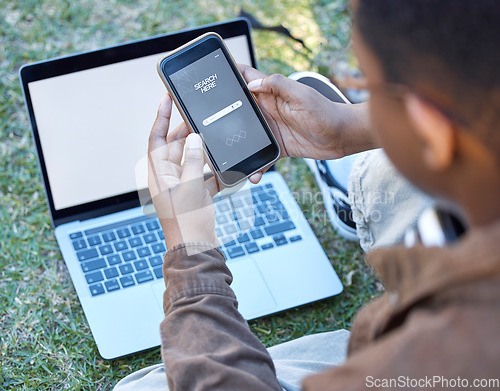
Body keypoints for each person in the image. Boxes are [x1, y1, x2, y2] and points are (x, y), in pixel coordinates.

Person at [115, 0, 500, 389]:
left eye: (366, 85)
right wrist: (346, 129)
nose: (360, 97)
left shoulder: (454, 348)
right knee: (380, 174)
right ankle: (360, 187)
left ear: (431, 125)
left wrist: (189, 248)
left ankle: (360, 189)